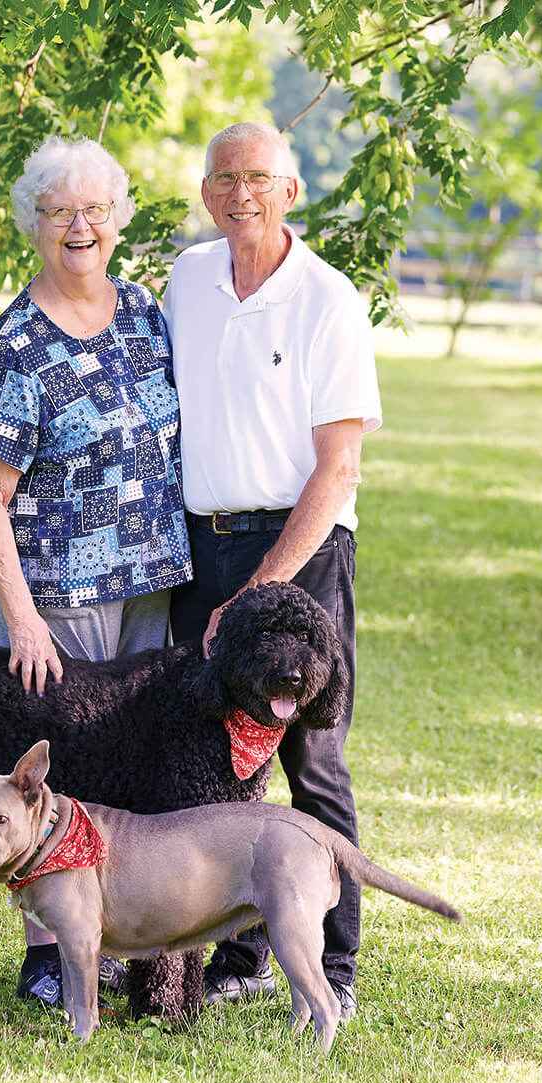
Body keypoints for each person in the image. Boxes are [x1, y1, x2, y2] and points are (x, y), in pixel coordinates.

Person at [0, 135, 193, 1008]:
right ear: (36, 224)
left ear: (118, 218)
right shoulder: (20, 342)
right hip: (58, 598)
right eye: (61, 212)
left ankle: (119, 942)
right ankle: (48, 957)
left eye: (95, 209)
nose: (80, 226)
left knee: (129, 771)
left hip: (151, 584)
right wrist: (21, 618)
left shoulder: (142, 311)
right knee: (55, 779)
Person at [163, 121, 382, 1021]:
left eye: (258, 177)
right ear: (207, 194)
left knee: (309, 755)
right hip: (198, 544)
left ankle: (335, 963)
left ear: (291, 191)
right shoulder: (186, 278)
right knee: (213, 757)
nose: (240, 193)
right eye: (224, 179)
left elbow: (338, 469)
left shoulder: (328, 300)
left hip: (301, 550)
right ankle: (242, 949)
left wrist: (261, 587)